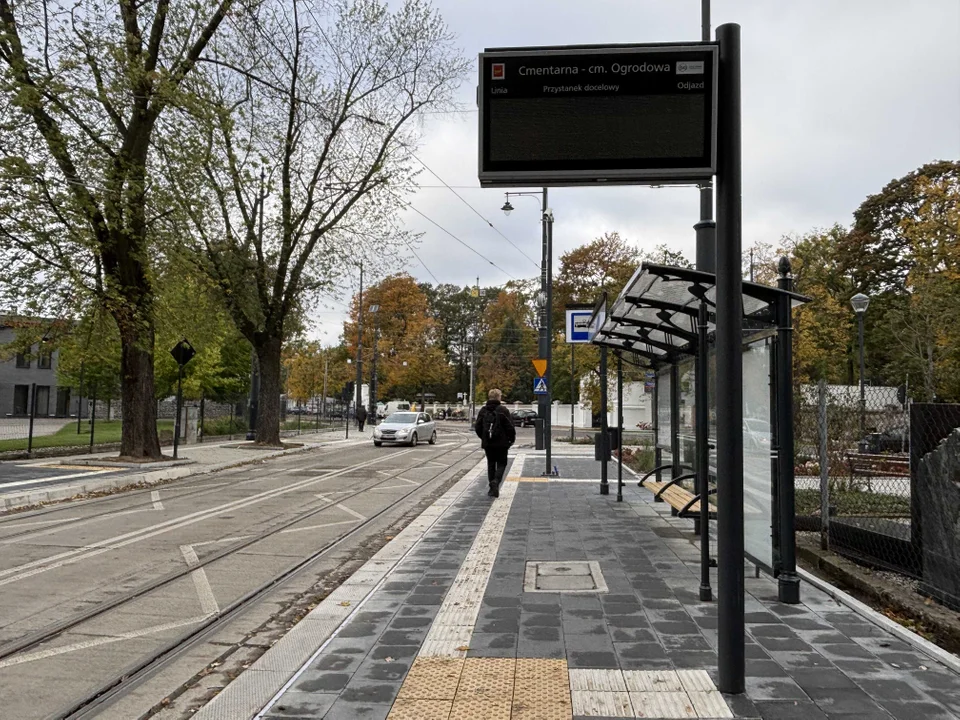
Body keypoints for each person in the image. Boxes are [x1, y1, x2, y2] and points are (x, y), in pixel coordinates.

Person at [474, 388, 516, 498]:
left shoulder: (483, 411)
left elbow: (478, 427)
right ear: (499, 397)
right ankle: (496, 482)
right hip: (502, 444)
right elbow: (510, 427)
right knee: (502, 463)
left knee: (491, 464)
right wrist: (511, 440)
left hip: (488, 443)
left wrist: (484, 437)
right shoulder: (503, 410)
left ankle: (492, 489)